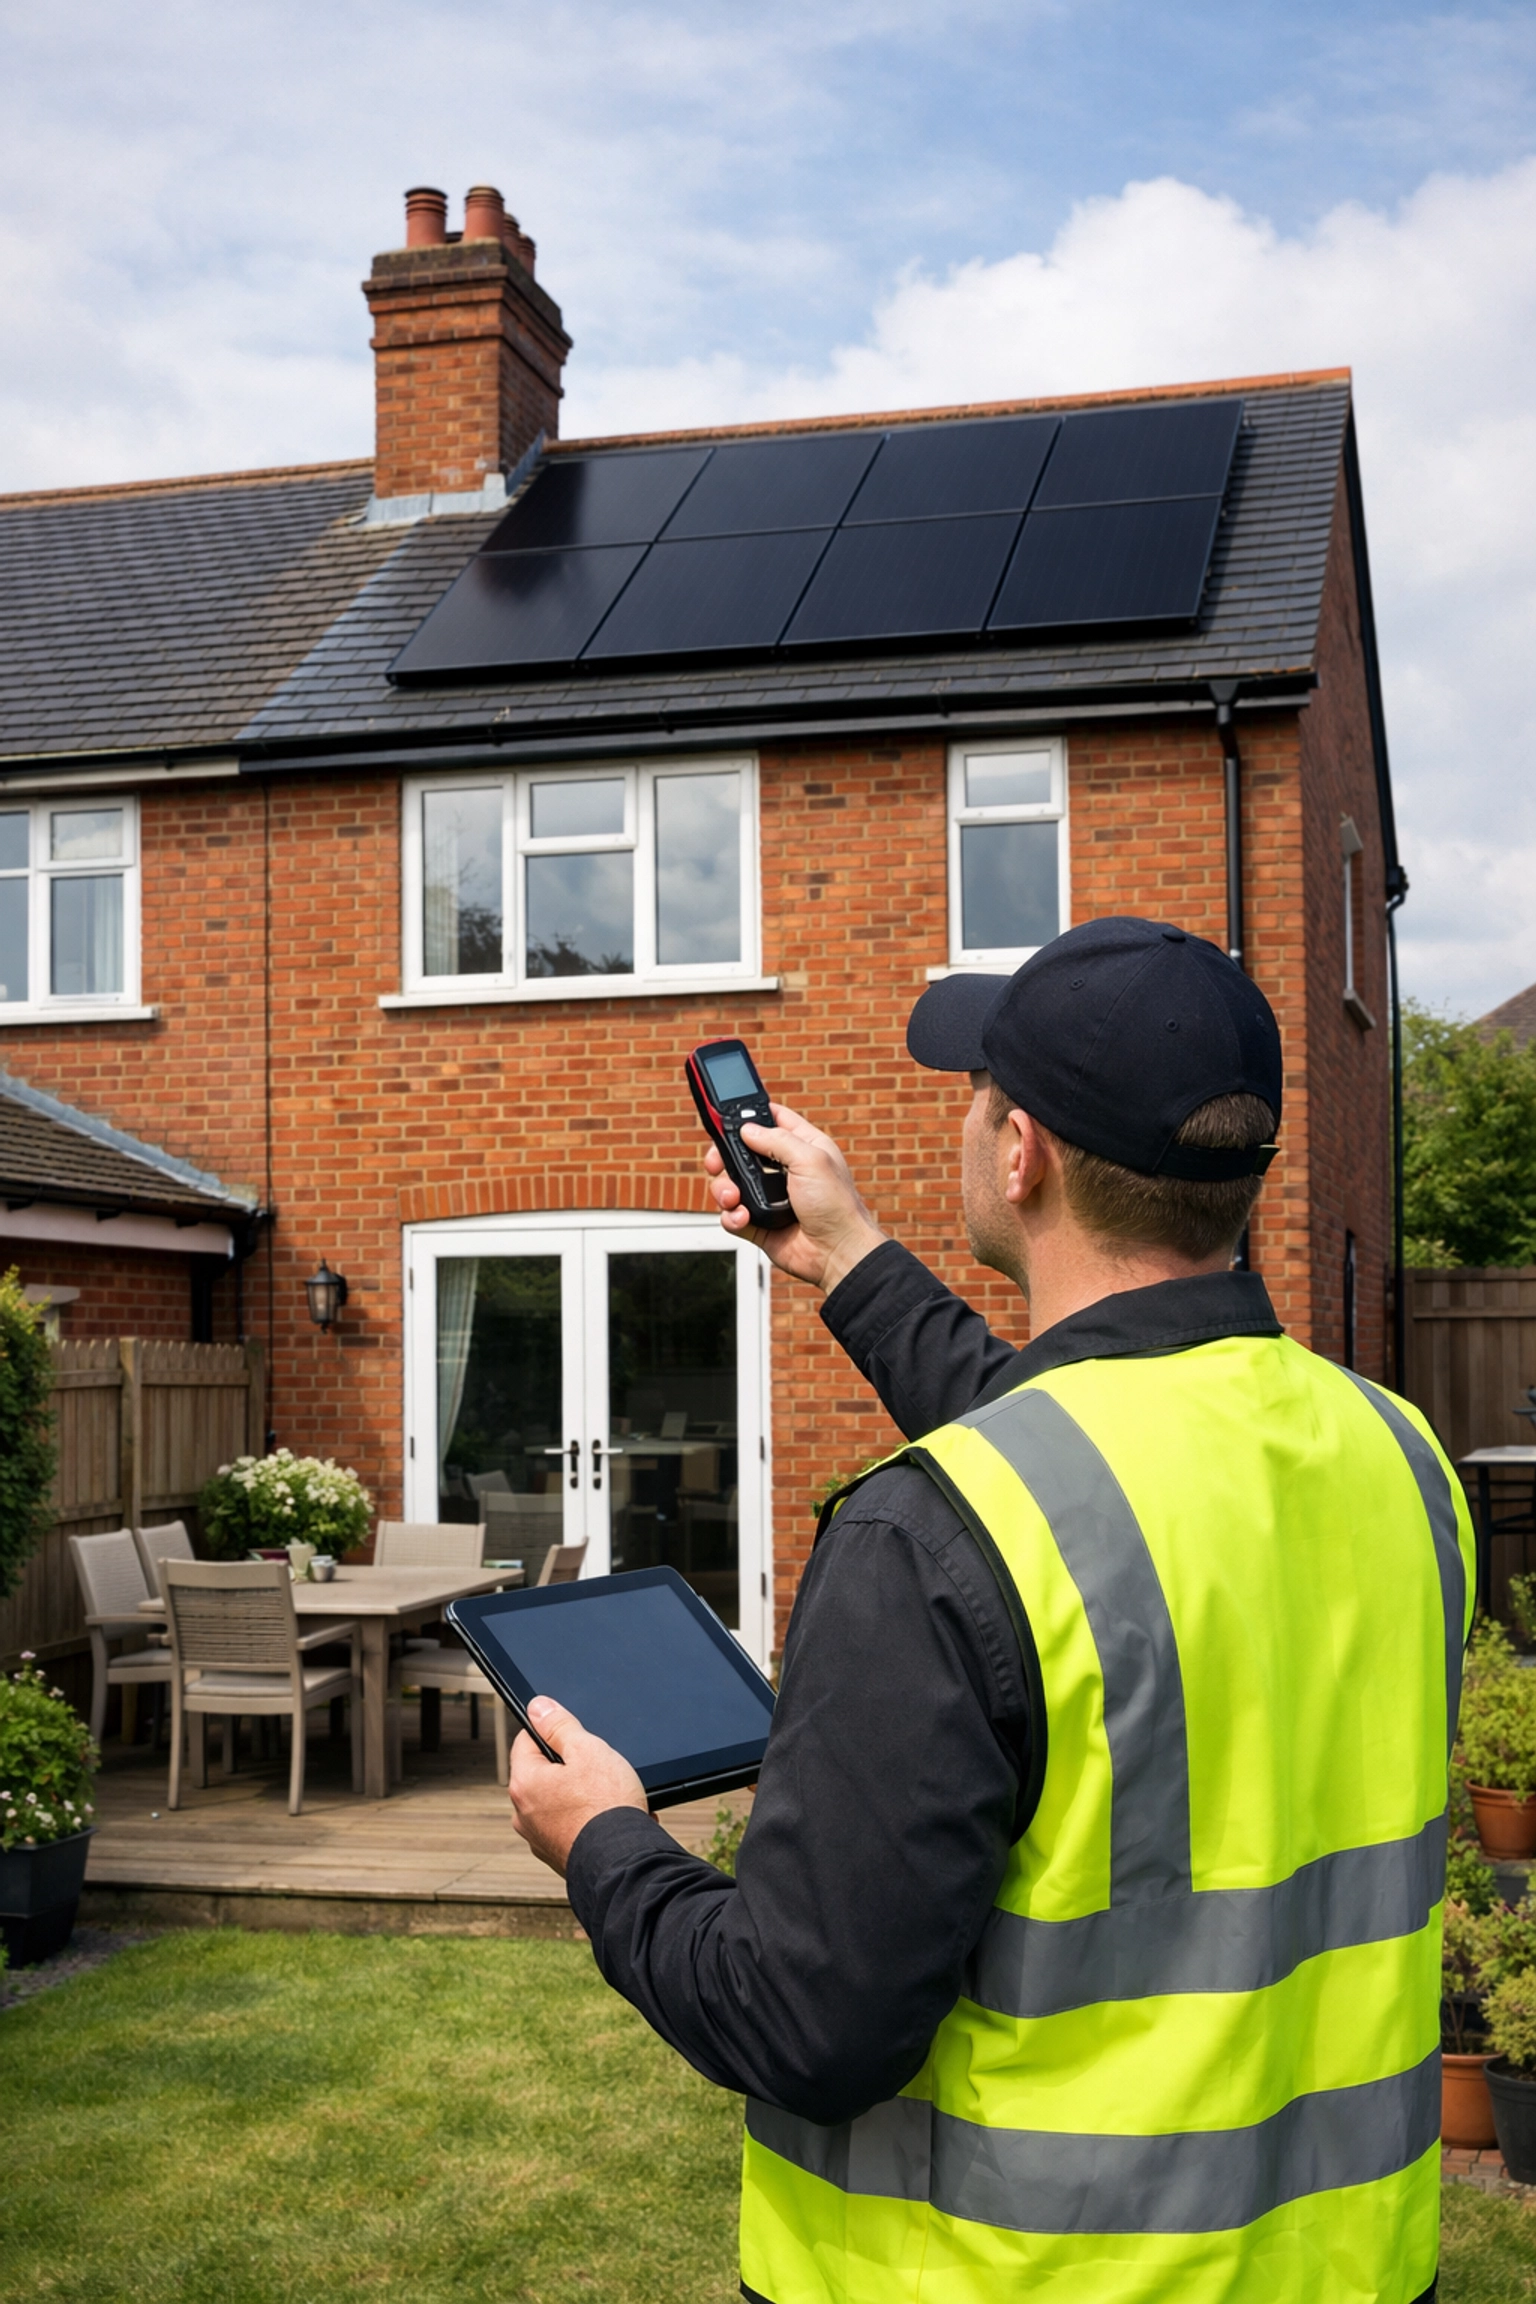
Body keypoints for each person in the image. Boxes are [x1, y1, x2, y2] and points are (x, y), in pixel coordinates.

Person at [508, 915, 1473, 2304]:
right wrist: (852, 1257)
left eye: (977, 1099)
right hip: (1350, 2269)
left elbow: (804, 2021)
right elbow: (1100, 1451)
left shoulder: (928, 1535)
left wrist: (601, 1845)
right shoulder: (1398, 1459)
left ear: (1019, 1154)